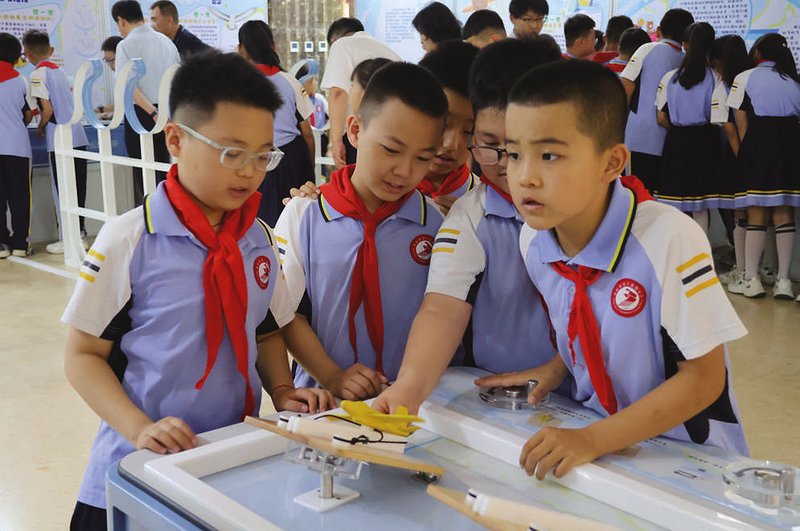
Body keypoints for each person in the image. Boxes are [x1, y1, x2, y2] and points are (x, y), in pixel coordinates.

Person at [63, 51, 334, 530]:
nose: (250, 172)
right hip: (136, 467)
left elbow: (266, 330)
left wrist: (282, 389)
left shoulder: (258, 238)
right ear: (176, 140)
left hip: (225, 460)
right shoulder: (131, 240)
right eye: (232, 153)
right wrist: (141, 428)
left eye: (263, 156)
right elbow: (82, 356)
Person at [495, 60, 749, 480]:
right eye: (514, 154)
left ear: (612, 163)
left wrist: (593, 440)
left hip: (685, 460)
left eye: (549, 155)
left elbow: (705, 379)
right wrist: (556, 369)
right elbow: (586, 321)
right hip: (600, 442)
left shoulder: (668, 238)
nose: (524, 178)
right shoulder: (534, 240)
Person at [372, 38, 563, 415]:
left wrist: (562, 367)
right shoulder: (471, 217)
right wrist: (408, 388)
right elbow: (442, 309)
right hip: (504, 399)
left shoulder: (602, 212)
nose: (507, 164)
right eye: (490, 145)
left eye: (519, 148)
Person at [274, 62, 449, 399]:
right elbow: (286, 312)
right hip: (324, 402)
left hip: (411, 401)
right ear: (354, 131)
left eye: (422, 158)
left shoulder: (437, 223)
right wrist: (333, 377)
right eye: (391, 150)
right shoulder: (304, 214)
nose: (404, 171)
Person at [726, 33, 800, 301]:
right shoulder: (794, 79)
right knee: (784, 213)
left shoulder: (744, 77)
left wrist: (748, 156)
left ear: (757, 53)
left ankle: (751, 280)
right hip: (790, 145)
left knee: (756, 212)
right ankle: (784, 281)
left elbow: (740, 123)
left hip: (759, 143)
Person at [654, 22, 730, 234]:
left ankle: (677, 250)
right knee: (700, 205)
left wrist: (679, 132)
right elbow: (720, 118)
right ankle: (702, 250)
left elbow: (661, 118)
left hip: (676, 141)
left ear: (685, 44)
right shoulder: (716, 77)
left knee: (674, 201)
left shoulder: (669, 77)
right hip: (706, 140)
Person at [237, 20, 315, 227]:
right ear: (272, 45)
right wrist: (309, 166)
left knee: (261, 225)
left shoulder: (235, 85)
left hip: (255, 161)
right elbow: (307, 133)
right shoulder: (290, 81)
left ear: (240, 49)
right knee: (297, 222)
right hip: (292, 159)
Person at [22, 29, 90, 254]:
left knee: (63, 190)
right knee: (78, 189)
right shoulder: (60, 72)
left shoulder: (37, 75)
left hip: (59, 139)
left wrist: (40, 127)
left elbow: (47, 109)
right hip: (78, 135)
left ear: (27, 53)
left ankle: (68, 239)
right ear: (50, 49)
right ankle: (80, 235)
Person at [112, 0, 180, 205]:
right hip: (168, 114)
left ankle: (152, 218)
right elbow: (178, 78)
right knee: (165, 174)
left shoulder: (125, 45)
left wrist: (152, 113)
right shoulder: (166, 42)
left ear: (121, 21)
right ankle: (168, 215)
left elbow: (128, 86)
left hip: (141, 115)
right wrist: (163, 114)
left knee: (145, 176)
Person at [620, 9, 694, 191]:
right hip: (670, 141)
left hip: (639, 138)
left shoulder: (648, 48)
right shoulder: (688, 60)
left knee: (635, 196)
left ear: (659, 30)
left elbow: (625, 87)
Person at [320, 17, 401, 168]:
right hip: (393, 135)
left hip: (359, 135)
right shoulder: (390, 52)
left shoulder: (341, 45)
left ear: (333, 40)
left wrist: (335, 142)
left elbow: (337, 92)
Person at [417, 41, 480, 214]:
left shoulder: (483, 205)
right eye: (443, 124)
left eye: (469, 131)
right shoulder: (378, 192)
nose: (451, 144)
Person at [710, 35, 752, 287]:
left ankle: (742, 269)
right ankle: (763, 267)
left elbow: (731, 130)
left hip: (739, 155)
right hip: (764, 152)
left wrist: (743, 160)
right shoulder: (754, 78)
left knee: (740, 214)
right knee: (763, 216)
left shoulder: (725, 86)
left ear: (720, 61)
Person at [0, 32, 34, 258]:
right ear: (16, 57)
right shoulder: (21, 80)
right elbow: (29, 113)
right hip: (17, 147)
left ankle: (1, 244)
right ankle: (21, 244)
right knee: (20, 197)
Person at [95, 36, 122, 120]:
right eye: (106, 60)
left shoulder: (131, 76)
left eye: (110, 60)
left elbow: (129, 103)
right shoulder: (118, 75)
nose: (109, 64)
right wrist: (111, 115)